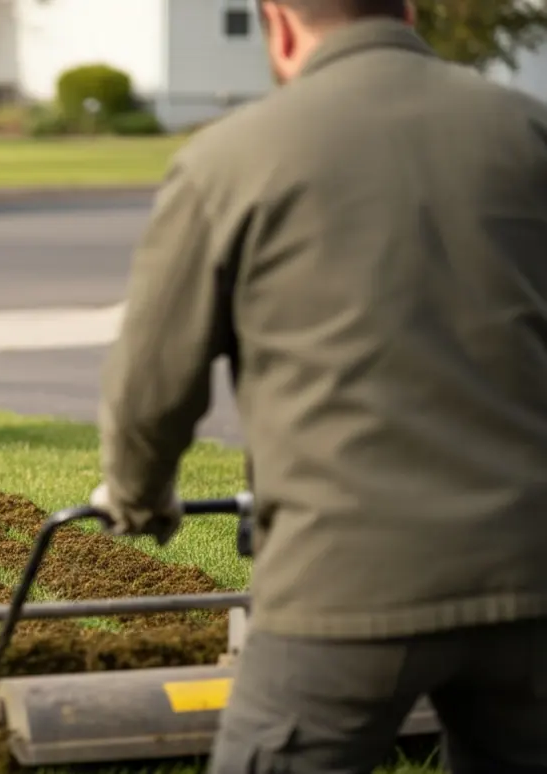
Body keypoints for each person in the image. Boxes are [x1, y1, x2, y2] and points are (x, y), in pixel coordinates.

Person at [88, 0, 547, 771]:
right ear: (404, 10)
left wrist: (136, 496)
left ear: (279, 22)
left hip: (341, 592)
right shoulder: (526, 133)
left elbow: (151, 384)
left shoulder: (231, 158)